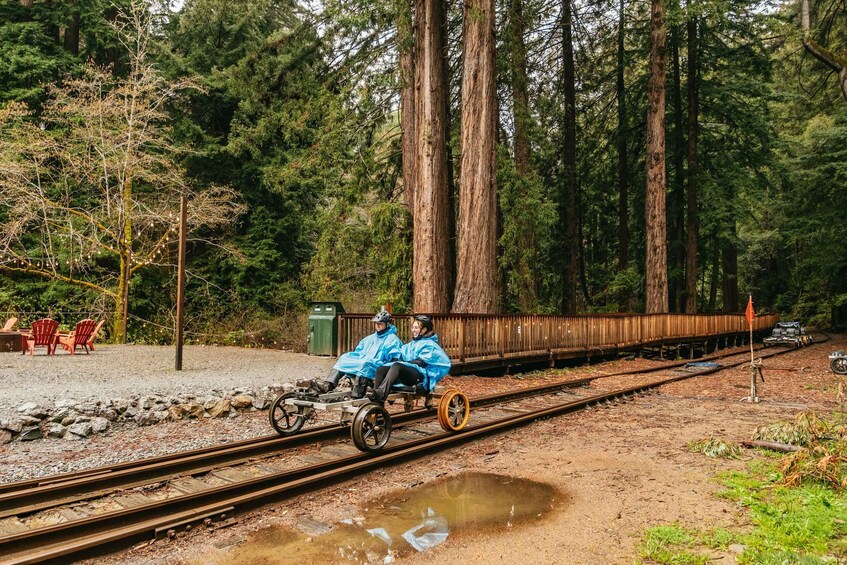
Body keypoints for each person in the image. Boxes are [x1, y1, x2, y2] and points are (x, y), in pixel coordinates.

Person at [302, 310, 402, 397]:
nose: (377, 326)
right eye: (376, 323)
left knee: (364, 363)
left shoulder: (392, 339)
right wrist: (355, 357)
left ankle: (357, 393)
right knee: (344, 357)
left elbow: (393, 359)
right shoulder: (370, 338)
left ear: (387, 325)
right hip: (364, 360)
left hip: (377, 365)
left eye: (380, 324)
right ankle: (329, 384)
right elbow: (359, 351)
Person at [371, 314, 451, 403]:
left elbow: (420, 362)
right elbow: (400, 356)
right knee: (381, 369)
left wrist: (402, 363)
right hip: (409, 373)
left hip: (421, 376)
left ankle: (381, 393)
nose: (413, 330)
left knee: (397, 366)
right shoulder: (411, 344)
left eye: (416, 328)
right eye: (413, 327)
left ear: (424, 329)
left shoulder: (430, 345)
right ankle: (377, 405)